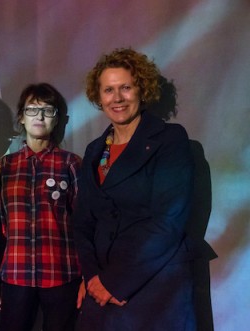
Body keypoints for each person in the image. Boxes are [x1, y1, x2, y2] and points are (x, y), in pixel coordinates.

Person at [73, 48, 197, 330]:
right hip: (100, 287)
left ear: (142, 89)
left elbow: (168, 221)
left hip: (153, 287)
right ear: (98, 96)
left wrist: (114, 282)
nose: (117, 98)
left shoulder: (170, 140)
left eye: (125, 88)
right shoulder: (94, 151)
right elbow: (82, 223)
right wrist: (92, 278)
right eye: (108, 90)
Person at [0, 83, 83, 331]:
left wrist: (88, 275)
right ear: (21, 117)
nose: (40, 116)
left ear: (57, 119)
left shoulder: (71, 164)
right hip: (16, 275)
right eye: (32, 109)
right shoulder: (5, 167)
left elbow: (85, 224)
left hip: (62, 274)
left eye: (48, 110)